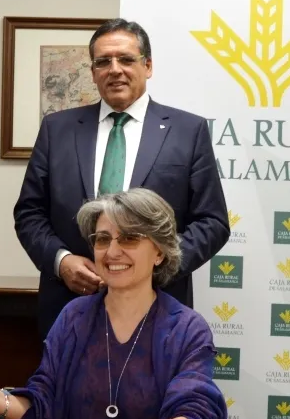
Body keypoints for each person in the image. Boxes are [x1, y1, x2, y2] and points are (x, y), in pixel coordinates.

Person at [0, 189, 227, 419]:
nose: (113, 251)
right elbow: (45, 407)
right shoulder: (74, 317)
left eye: (129, 238)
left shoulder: (186, 328)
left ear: (159, 253)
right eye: (103, 239)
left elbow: (196, 418)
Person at [13, 18, 229, 339]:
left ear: (148, 65)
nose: (115, 69)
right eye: (103, 61)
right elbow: (29, 213)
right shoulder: (57, 129)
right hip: (70, 306)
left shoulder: (187, 131)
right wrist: (61, 261)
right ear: (93, 72)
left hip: (157, 308)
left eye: (126, 59)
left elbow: (212, 222)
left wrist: (153, 266)